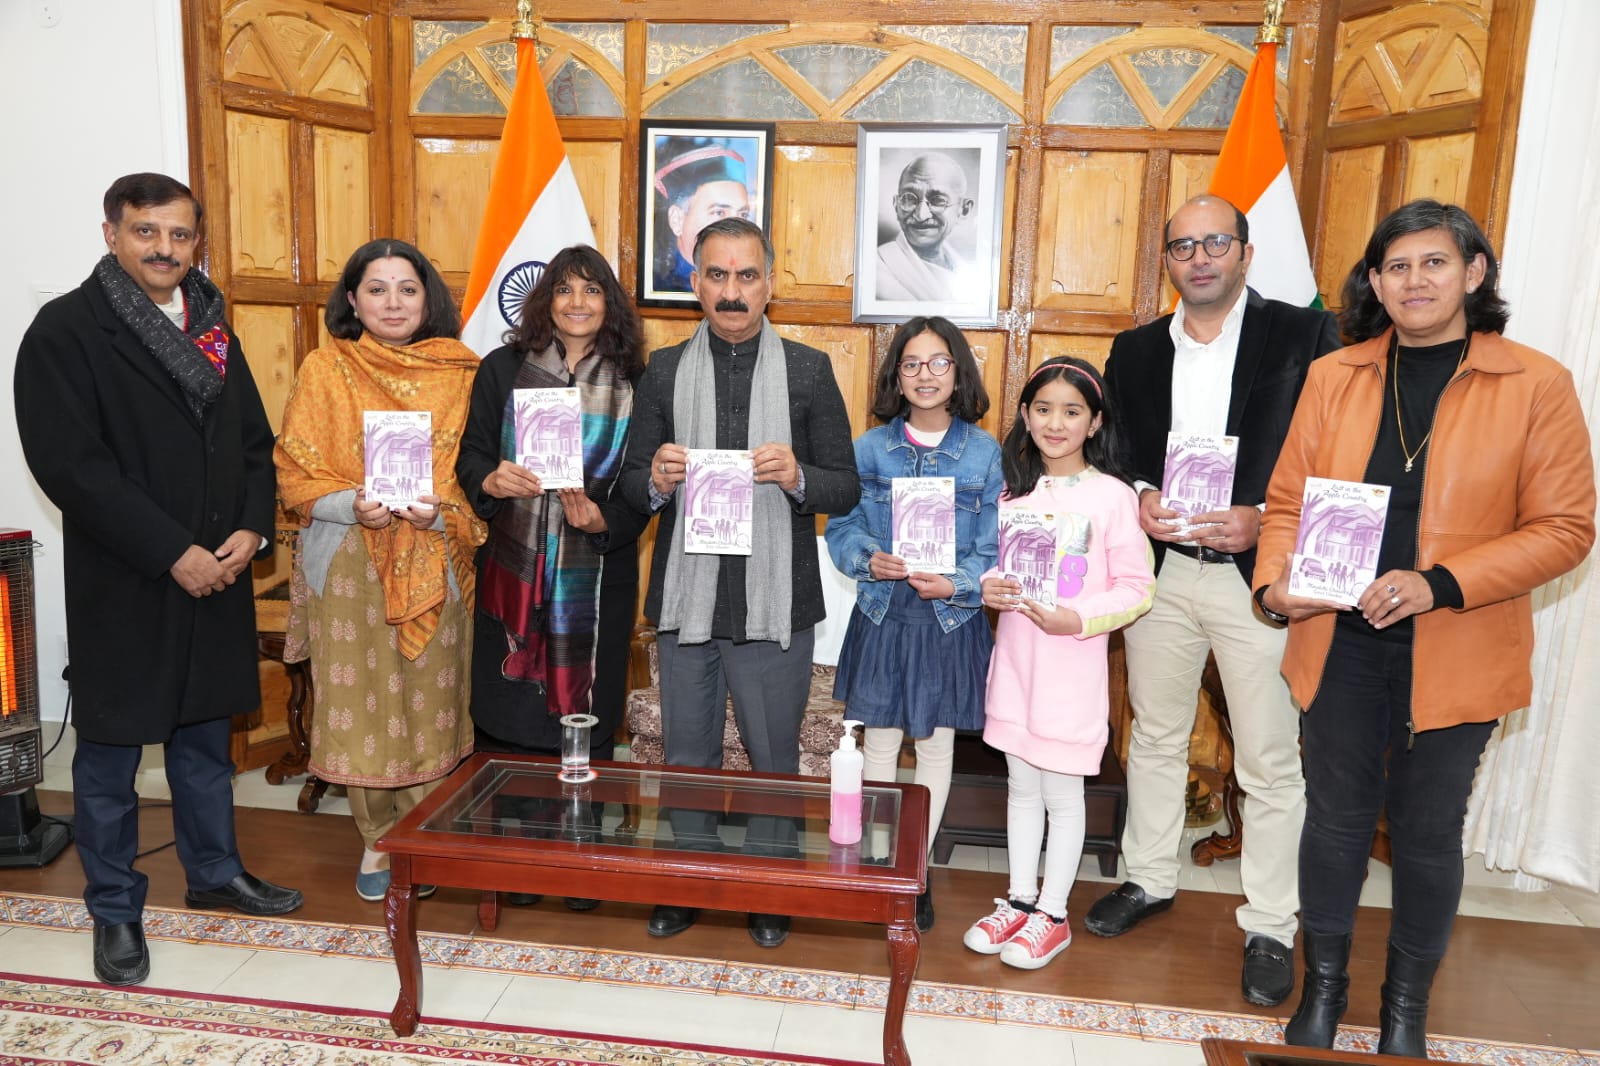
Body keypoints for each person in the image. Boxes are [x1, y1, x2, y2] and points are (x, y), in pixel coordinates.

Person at [1256, 200, 1595, 1056]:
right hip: (1339, 640)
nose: (1415, 282)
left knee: (1429, 832)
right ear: (1375, 282)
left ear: (1474, 273)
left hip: (1460, 643)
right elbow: (1289, 500)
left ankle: (1406, 1006)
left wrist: (1437, 583)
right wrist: (1274, 587)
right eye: (1396, 267)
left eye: (1434, 263)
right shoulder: (1336, 376)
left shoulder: (1536, 383)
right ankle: (1324, 988)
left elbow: (1566, 527)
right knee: (1333, 820)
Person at [13, 172, 302, 987]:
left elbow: (253, 442)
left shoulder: (213, 325)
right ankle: (114, 911)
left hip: (220, 575)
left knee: (205, 744)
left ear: (195, 241)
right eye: (147, 233)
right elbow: (74, 468)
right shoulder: (66, 331)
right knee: (107, 760)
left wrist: (249, 530)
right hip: (131, 581)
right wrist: (173, 550)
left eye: (180, 235)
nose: (165, 249)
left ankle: (215, 874)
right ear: (112, 234)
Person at [1090, 194, 1343, 1007]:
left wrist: (1265, 516)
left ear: (1245, 251)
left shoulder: (1306, 336)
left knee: (1270, 759)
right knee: (1154, 736)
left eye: (1214, 243)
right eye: (1182, 246)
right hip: (1164, 574)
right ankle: (1148, 877)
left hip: (1258, 575)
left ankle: (1270, 923)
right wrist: (1137, 492)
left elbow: (1336, 447)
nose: (1198, 258)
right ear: (1166, 259)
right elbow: (1117, 444)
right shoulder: (1130, 351)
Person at [619, 217, 860, 948]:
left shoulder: (811, 370)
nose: (731, 291)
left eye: (746, 276)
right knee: (686, 752)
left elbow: (845, 487)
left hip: (775, 603)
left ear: (770, 285)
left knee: (772, 756)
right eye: (717, 276)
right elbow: (629, 488)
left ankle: (769, 889)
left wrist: (798, 478)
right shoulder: (660, 371)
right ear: (695, 283)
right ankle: (684, 885)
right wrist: (654, 481)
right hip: (687, 602)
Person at [274, 238, 486, 902]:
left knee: (432, 703)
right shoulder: (325, 368)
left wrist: (440, 512)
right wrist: (349, 504)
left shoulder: (463, 373)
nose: (393, 302)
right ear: (352, 300)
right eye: (377, 288)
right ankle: (376, 841)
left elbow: (477, 478)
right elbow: (294, 472)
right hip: (347, 563)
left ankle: (430, 834)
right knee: (361, 709)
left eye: (407, 288)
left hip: (434, 559)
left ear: (429, 299)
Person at [456, 245, 650, 910]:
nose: (576, 303)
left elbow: (643, 480)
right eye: (564, 289)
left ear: (610, 304)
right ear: (545, 300)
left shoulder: (636, 380)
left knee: (585, 711)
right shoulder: (503, 368)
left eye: (591, 291)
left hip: (595, 571)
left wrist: (604, 518)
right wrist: (490, 476)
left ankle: (580, 856)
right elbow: (472, 450)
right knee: (511, 712)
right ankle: (519, 856)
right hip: (514, 565)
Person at [962, 357, 1155, 969]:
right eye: (1043, 409)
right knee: (1021, 788)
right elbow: (998, 563)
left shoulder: (1114, 497)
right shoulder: (1013, 492)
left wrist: (1078, 618)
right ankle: (1019, 900)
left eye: (1072, 411)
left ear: (1094, 423)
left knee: (1063, 796)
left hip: (1071, 670)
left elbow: (1136, 587)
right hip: (1016, 665)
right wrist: (990, 584)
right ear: (1024, 415)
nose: (1055, 422)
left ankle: (1053, 912)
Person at [824, 316, 1003, 933]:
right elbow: (842, 528)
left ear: (958, 371)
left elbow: (992, 547)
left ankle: (914, 870)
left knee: (936, 744)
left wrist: (956, 581)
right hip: (883, 608)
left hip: (948, 618)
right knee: (877, 741)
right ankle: (878, 862)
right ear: (895, 375)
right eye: (911, 364)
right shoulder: (868, 448)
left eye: (938, 363)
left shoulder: (984, 453)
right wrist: (864, 558)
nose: (925, 375)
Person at [651, 140, 754, 294]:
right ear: (677, 220)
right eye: (719, 213)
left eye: (743, 215)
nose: (736, 229)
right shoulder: (662, 285)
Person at [875, 152, 978, 302]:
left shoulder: (967, 271)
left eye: (937, 200)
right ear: (896, 205)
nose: (921, 215)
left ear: (964, 210)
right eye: (909, 198)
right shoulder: (879, 268)